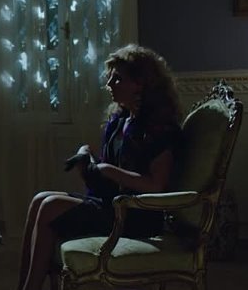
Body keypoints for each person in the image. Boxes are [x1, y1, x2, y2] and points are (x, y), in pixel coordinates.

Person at [17, 44, 183, 290]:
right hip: (112, 203)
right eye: (110, 78)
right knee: (39, 200)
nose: (109, 84)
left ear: (140, 83)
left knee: (50, 206)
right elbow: (108, 174)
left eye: (117, 79)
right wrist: (88, 157)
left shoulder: (158, 127)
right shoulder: (122, 120)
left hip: (136, 214)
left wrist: (108, 170)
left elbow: (156, 185)